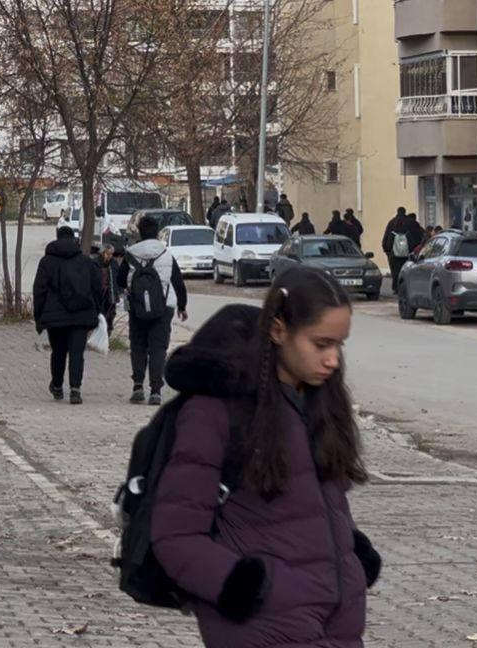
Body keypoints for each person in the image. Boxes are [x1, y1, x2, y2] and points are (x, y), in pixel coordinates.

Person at [151, 266, 380, 648]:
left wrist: (349, 551)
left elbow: (306, 507)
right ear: (277, 330)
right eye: (321, 344)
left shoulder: (317, 402)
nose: (333, 360)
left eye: (339, 345)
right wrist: (238, 585)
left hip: (335, 620)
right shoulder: (217, 409)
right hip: (262, 624)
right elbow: (175, 534)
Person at [118, 215, 188, 406]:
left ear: (139, 231)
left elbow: (120, 280)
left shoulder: (130, 254)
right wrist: (182, 306)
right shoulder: (166, 254)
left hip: (137, 307)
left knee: (138, 346)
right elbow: (178, 282)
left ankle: (138, 387)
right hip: (163, 307)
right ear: (157, 232)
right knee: (158, 348)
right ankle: (156, 390)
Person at [33, 226, 102, 405]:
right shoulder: (86, 262)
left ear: (57, 238)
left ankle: (57, 385)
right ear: (74, 239)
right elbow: (97, 288)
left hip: (55, 317)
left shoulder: (46, 262)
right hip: (81, 315)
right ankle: (75, 389)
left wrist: (39, 316)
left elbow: (39, 290)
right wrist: (97, 312)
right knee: (77, 353)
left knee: (58, 352)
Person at [382, 208, 425, 294]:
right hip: (408, 253)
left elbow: (386, 237)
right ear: (405, 212)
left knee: (395, 271)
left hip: (393, 253)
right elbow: (420, 235)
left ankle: (396, 288)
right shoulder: (412, 223)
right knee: (407, 270)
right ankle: (406, 287)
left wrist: (386, 250)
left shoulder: (392, 223)